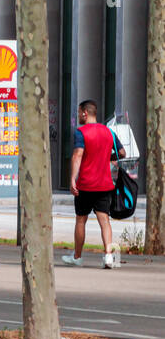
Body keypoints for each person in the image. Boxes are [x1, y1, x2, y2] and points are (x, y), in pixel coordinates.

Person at [62, 99, 126, 268]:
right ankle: (108, 256)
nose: (78, 116)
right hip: (105, 184)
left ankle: (77, 257)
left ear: (85, 113)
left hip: (85, 184)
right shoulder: (109, 132)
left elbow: (77, 155)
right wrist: (107, 158)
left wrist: (72, 179)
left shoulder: (81, 132)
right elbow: (122, 152)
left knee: (81, 220)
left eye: (78, 113)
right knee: (105, 221)